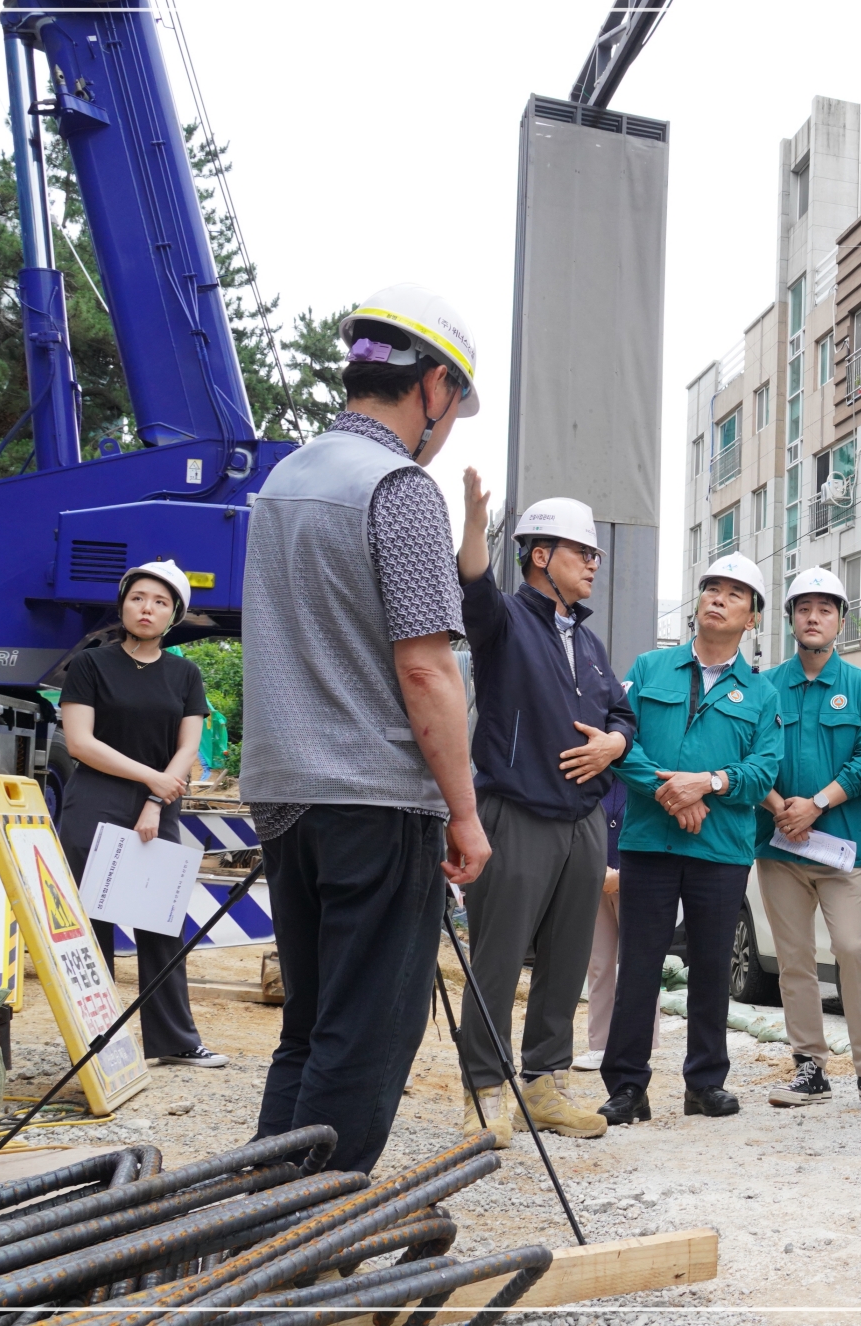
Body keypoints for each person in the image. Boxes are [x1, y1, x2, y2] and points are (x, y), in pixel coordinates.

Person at [241, 284, 491, 1174]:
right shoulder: (398, 487)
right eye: (454, 405)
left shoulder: (285, 481)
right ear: (432, 387)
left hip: (287, 795)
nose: (450, 422)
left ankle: (258, 1216)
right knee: (366, 1035)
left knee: (309, 1024)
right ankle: (307, 1240)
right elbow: (426, 669)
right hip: (376, 798)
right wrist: (464, 812)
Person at [453, 477, 635, 1142]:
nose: (593, 562)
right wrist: (475, 526)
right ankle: (482, 1089)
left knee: (565, 959)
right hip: (518, 812)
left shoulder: (586, 642)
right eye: (581, 550)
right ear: (539, 555)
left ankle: (547, 1083)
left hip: (582, 821)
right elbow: (472, 587)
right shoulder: (505, 621)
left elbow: (622, 712)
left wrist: (614, 742)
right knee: (499, 958)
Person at [600, 553, 784, 1124]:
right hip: (650, 845)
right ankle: (627, 1086)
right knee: (639, 965)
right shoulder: (650, 670)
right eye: (711, 588)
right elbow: (620, 745)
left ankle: (705, 1082)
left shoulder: (761, 694)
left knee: (710, 965)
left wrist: (707, 784)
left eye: (734, 593)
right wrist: (667, 795)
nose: (718, 598)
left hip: (721, 848)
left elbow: (764, 771)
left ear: (751, 618)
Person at [56, 560, 224, 1070]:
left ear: (173, 613)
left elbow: (187, 746)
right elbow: (81, 742)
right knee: (91, 920)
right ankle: (94, 1042)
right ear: (123, 604)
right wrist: (149, 778)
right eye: (137, 598)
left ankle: (174, 1040)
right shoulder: (91, 664)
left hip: (160, 802)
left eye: (159, 601)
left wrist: (155, 797)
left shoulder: (185, 673)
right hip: (96, 797)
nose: (146, 608)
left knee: (161, 921)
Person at [756, 569, 861, 1111]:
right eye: (803, 608)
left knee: (851, 948)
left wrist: (815, 804)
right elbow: (751, 754)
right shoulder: (765, 685)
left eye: (824, 608)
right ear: (791, 618)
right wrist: (779, 808)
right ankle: (809, 1067)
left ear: (841, 620)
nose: (813, 617)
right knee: (793, 958)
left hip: (842, 847)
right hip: (780, 847)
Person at [577, 781, 652, 1071]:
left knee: (640, 963)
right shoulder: (595, 777)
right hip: (594, 877)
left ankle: (639, 1043)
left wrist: (621, 873)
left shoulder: (641, 776)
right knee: (598, 963)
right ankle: (600, 1044)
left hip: (638, 878)